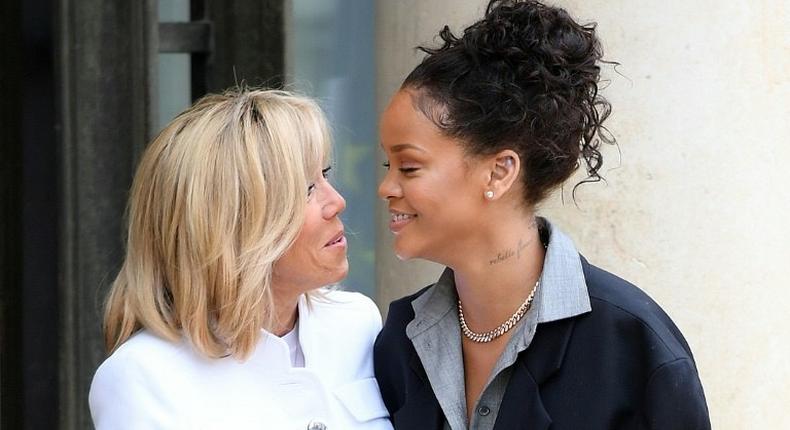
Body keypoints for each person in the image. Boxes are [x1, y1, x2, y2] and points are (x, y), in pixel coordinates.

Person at [373, 1, 711, 429]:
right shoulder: (398, 343)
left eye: (409, 167)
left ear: (499, 171)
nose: (386, 187)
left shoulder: (632, 346)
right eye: (388, 167)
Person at [89, 88, 393, 430]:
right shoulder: (142, 376)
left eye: (325, 174)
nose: (336, 201)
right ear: (231, 224)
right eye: (306, 188)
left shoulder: (356, 323)